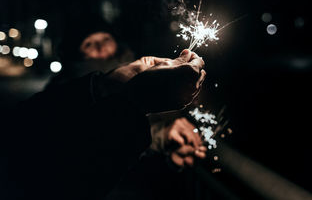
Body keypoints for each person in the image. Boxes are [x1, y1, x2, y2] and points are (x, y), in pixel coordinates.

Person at [3, 48, 207, 200]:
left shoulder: (79, 97)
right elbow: (67, 172)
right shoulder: (51, 109)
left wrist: (163, 143)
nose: (99, 48)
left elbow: (131, 171)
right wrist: (134, 102)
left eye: (105, 40)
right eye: (89, 44)